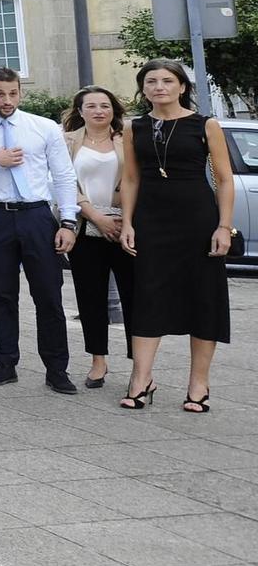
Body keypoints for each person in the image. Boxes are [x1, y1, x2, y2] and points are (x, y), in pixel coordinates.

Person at [0, 67, 81, 393]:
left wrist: (68, 221)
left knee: (49, 295)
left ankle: (56, 369)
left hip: (36, 216)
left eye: (12, 93)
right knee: (2, 295)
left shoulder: (43, 128)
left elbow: (64, 176)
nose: (7, 100)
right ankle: (5, 363)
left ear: (20, 92)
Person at [119, 59, 235, 413]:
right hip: (152, 221)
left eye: (167, 81)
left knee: (203, 298)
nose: (159, 87)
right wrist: (127, 223)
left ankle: (198, 383)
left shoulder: (205, 124)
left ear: (182, 86)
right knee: (148, 297)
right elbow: (130, 179)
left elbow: (225, 179)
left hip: (198, 220)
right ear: (144, 89)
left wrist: (223, 226)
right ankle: (142, 379)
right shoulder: (133, 127)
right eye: (151, 81)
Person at [63, 85, 133, 389]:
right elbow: (63, 183)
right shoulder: (67, 141)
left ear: (113, 109)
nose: (99, 111)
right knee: (90, 298)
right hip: (86, 228)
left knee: (135, 299)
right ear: (80, 111)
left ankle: (140, 366)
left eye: (104, 105)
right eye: (90, 106)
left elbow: (135, 180)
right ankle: (98, 361)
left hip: (125, 227)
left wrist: (123, 220)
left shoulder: (127, 138)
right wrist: (95, 216)